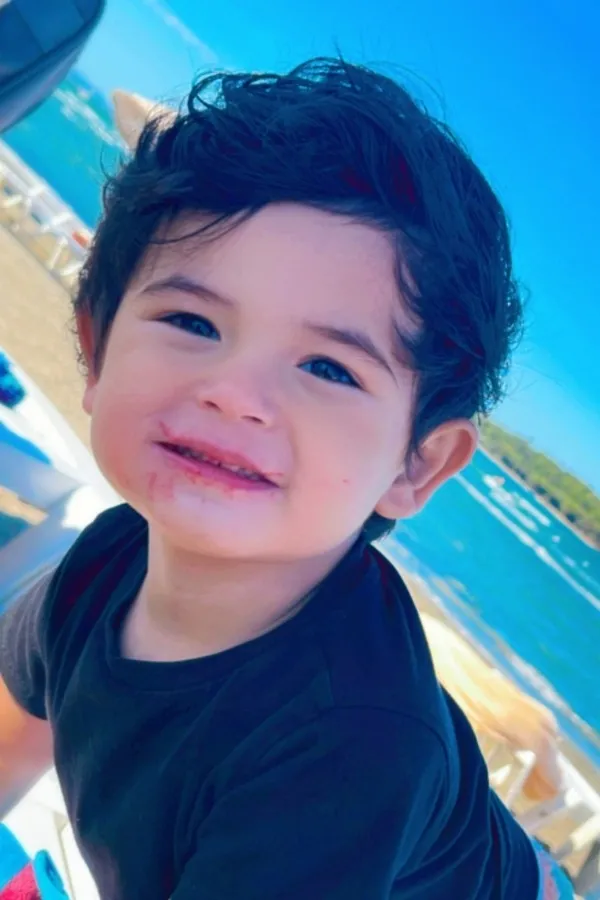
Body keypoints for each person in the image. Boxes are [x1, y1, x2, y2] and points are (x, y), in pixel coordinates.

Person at [0, 57, 573, 899]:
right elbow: (14, 735)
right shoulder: (102, 565)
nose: (234, 394)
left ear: (417, 463)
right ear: (96, 344)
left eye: (329, 368)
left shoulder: (348, 748)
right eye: (193, 320)